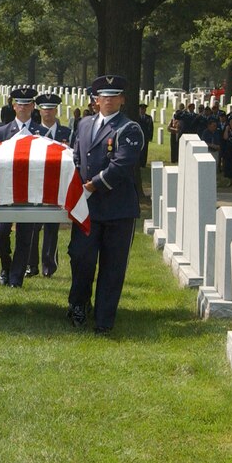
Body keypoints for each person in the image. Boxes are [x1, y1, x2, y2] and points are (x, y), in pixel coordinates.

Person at [67, 74, 144, 334]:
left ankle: (104, 319)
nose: (108, 100)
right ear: (95, 100)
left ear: (122, 100)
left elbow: (121, 165)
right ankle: (78, 306)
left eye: (114, 96)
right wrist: (76, 182)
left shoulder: (129, 128)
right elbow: (76, 155)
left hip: (117, 208)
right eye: (103, 96)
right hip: (87, 207)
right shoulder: (84, 124)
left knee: (112, 266)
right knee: (81, 258)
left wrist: (92, 185)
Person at [0, 86, 48, 288]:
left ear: (33, 106)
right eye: (19, 104)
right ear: (14, 106)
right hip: (5, 193)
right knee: (1, 232)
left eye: (27, 104)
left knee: (26, 235)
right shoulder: (1, 133)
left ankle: (16, 277)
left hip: (31, 192)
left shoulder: (42, 133)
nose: (23, 107)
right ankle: (6, 267)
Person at [26, 92, 72, 278]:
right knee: (33, 226)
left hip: (57, 184)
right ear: (39, 110)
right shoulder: (32, 133)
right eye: (45, 109)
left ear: (56, 110)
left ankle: (49, 265)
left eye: (51, 108)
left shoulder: (66, 133)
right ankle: (31, 265)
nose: (48, 112)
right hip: (35, 185)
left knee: (52, 227)